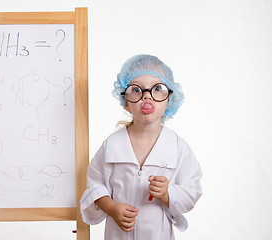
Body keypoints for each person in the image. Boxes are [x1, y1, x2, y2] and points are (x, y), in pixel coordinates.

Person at [80, 54, 202, 239]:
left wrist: (168, 193)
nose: (146, 96)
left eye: (157, 88)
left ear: (169, 98)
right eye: (136, 90)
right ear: (126, 102)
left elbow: (192, 190)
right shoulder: (112, 144)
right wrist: (112, 208)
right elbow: (95, 184)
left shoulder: (177, 147)